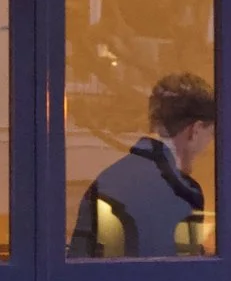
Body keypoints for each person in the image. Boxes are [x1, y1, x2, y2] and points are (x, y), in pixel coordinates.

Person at [70, 73, 215, 257]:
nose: (209, 145)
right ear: (194, 131)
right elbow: (180, 273)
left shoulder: (109, 179)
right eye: (210, 134)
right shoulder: (179, 193)